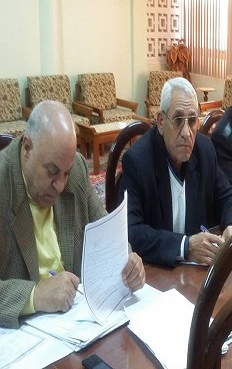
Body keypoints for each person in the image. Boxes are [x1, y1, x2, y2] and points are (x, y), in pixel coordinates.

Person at [0, 100, 145, 329]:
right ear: (27, 149)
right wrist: (35, 295)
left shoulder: (75, 168)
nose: (60, 185)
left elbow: (104, 227)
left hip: (77, 322)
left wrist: (126, 258)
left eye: (65, 173)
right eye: (52, 172)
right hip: (22, 333)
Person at [119, 77, 232, 268]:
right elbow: (130, 230)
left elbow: (230, 198)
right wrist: (185, 246)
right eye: (178, 120)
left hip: (196, 270)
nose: (187, 133)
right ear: (161, 122)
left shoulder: (204, 150)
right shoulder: (138, 161)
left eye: (192, 121)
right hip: (157, 271)